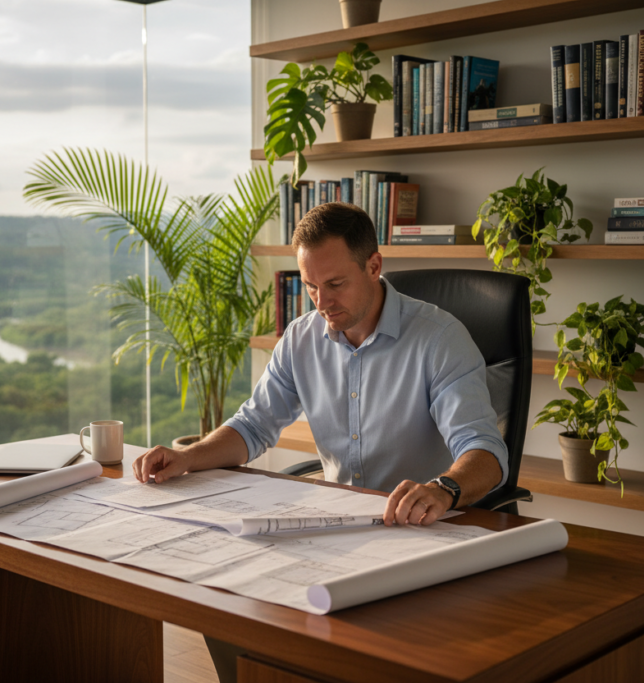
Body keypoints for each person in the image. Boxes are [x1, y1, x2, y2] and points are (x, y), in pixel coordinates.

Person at [133, 202, 508, 683]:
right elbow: (254, 426)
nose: (321, 301)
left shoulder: (439, 339)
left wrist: (444, 488)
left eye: (334, 284)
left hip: (421, 533)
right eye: (310, 286)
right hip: (336, 529)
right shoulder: (301, 338)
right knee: (224, 595)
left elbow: (484, 453)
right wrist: (189, 456)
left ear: (374, 266)